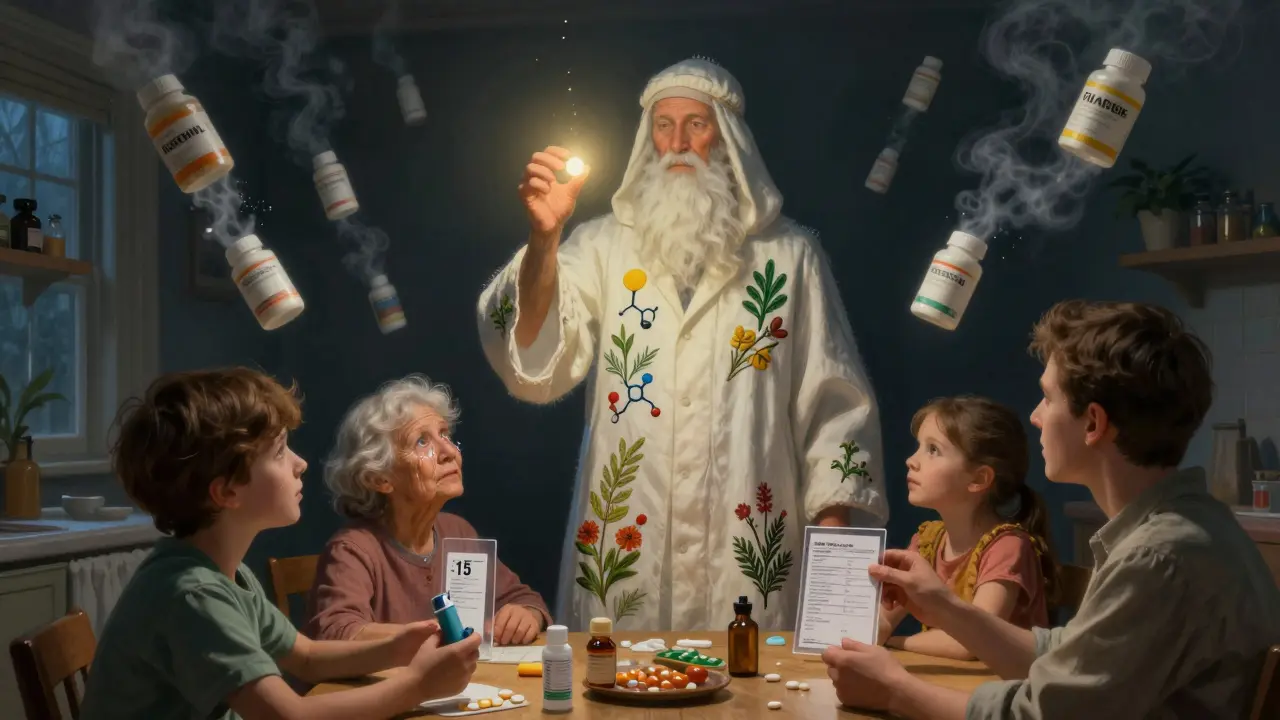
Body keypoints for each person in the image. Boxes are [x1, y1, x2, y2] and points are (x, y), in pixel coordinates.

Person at [476, 57, 886, 632]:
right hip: (628, 547)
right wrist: (544, 241)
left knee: (753, 678)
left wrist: (834, 548)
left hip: (750, 545)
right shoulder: (601, 247)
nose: (677, 144)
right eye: (663, 126)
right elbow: (536, 356)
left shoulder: (789, 256)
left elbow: (834, 403)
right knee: (621, 672)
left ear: (728, 136)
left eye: (696, 124)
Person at [822, 300, 1280, 719]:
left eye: (1048, 397)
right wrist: (944, 607)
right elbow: (1067, 658)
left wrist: (894, 691)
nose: (1036, 416)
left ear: (1093, 423)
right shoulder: (1193, 525)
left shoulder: (1158, 558)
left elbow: (1045, 716)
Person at [80, 368, 481, 720]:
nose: (299, 463)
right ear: (227, 492)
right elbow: (289, 716)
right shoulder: (193, 595)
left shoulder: (226, 574)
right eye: (278, 452)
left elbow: (306, 656)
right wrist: (418, 686)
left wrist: (399, 647)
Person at [305, 375, 551, 646]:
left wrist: (525, 615)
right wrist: (440, 633)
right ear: (380, 478)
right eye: (421, 441)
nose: (449, 452)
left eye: (444, 434)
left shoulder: (458, 532)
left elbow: (524, 599)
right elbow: (337, 632)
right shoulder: (353, 550)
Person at [880, 396, 1055, 659]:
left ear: (979, 478)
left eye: (933, 450)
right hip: (950, 679)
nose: (911, 460)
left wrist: (894, 642)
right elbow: (883, 620)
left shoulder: (1008, 547)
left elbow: (973, 643)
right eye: (919, 447)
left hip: (1003, 683)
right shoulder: (927, 542)